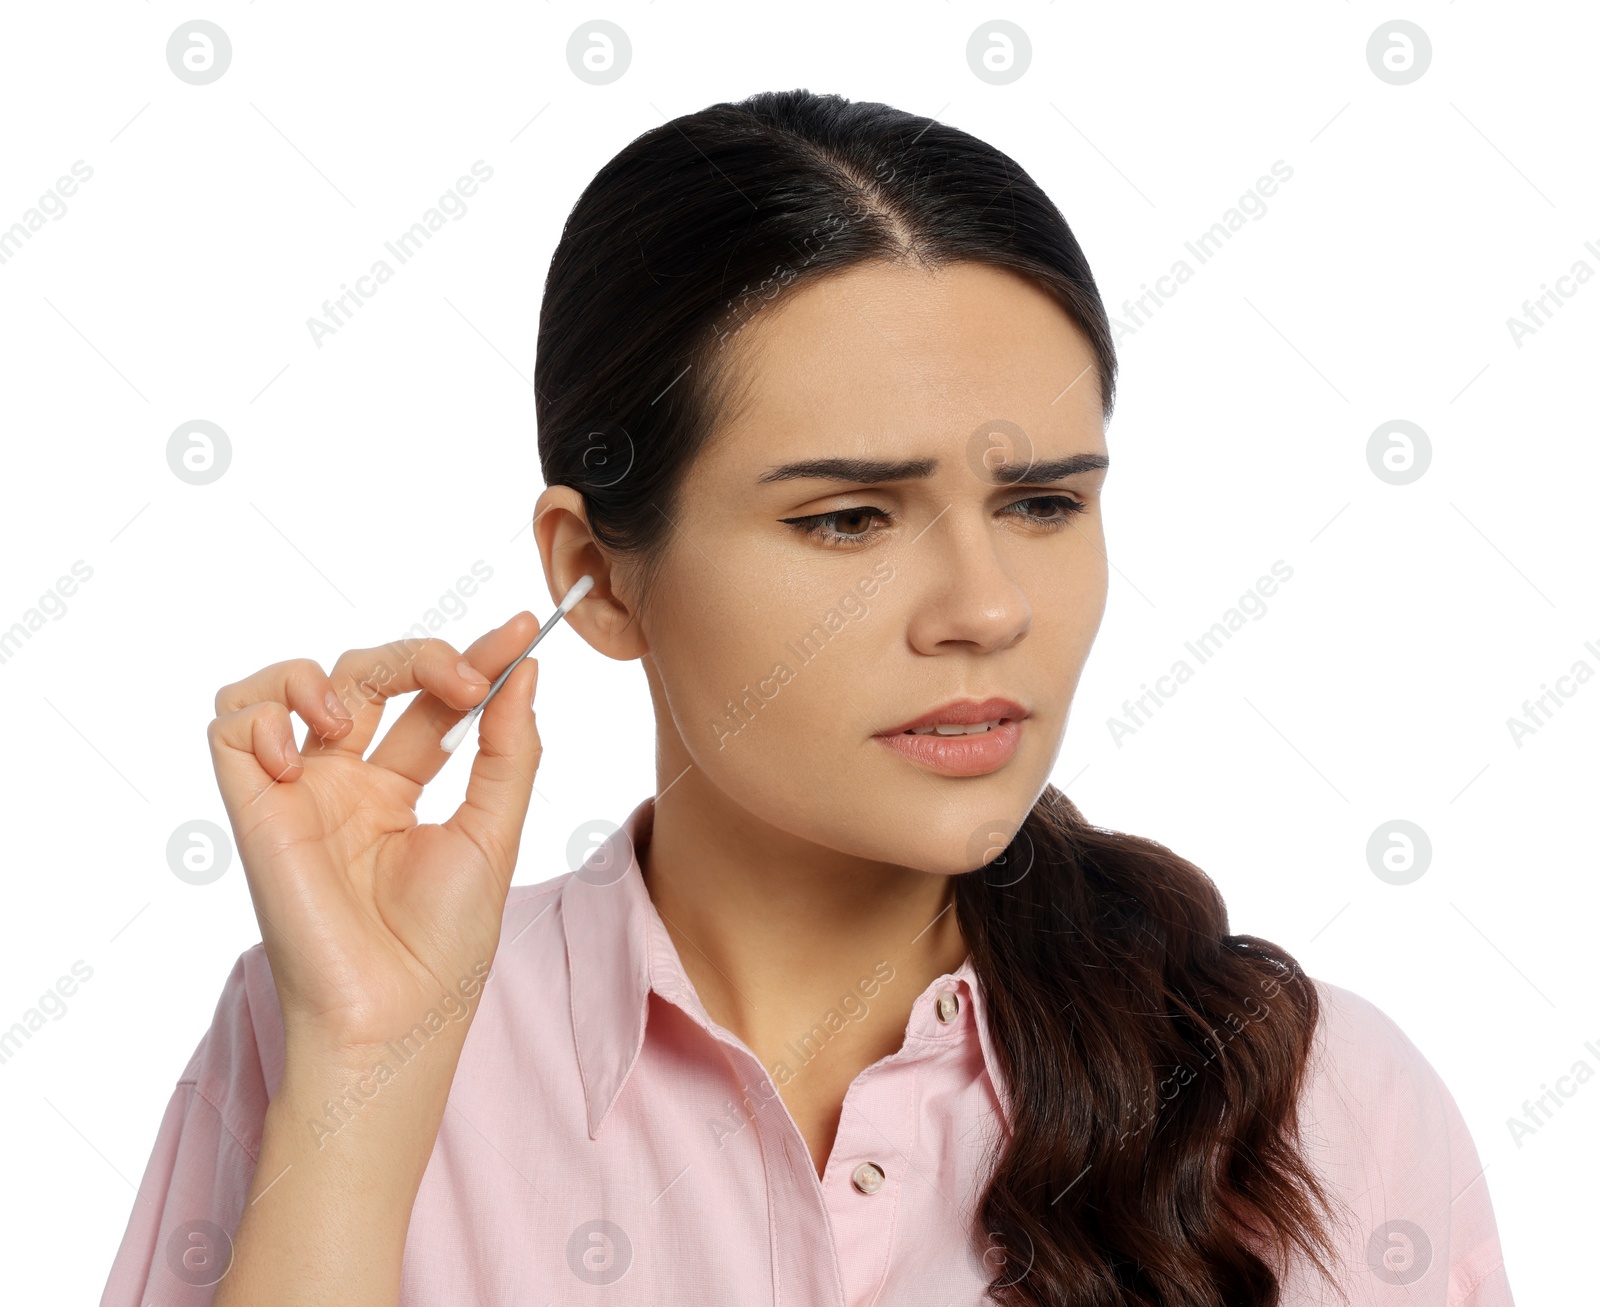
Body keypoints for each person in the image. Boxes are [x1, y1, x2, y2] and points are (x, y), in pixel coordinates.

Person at [100, 89, 1513, 1306]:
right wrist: (360, 1066)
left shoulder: (1316, 1101)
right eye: (848, 519)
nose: (987, 608)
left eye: (1038, 502)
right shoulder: (329, 1028)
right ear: (596, 575)